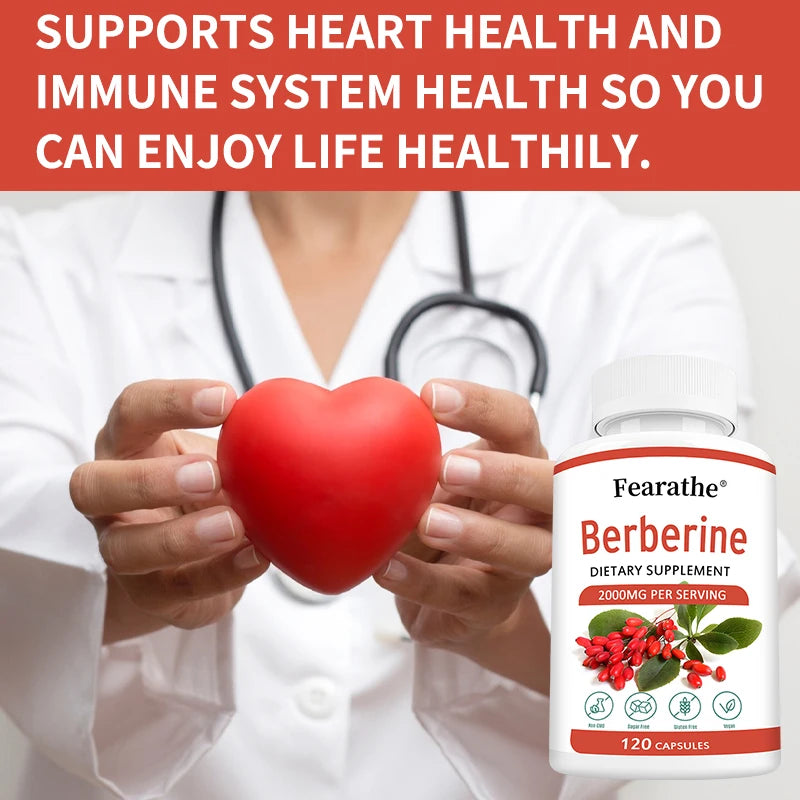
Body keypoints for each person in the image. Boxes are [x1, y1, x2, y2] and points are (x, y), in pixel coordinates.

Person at [0, 191, 797, 800]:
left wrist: (513, 623)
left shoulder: (641, 270)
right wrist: (127, 590)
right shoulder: (33, 263)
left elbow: (701, 657)